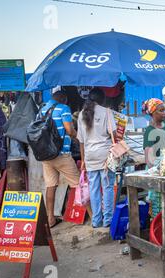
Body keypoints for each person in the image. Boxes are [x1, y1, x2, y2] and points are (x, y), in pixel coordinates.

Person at [39, 91, 80, 228]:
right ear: (63, 99)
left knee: (51, 186)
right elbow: (69, 130)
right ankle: (93, 218)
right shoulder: (64, 108)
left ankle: (50, 219)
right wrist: (78, 137)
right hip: (62, 154)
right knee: (78, 184)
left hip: (46, 154)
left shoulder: (42, 109)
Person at [77, 88, 116, 228]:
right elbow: (114, 134)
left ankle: (96, 220)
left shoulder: (82, 114)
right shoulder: (107, 112)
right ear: (102, 99)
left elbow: (81, 141)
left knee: (93, 188)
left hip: (90, 155)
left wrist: (83, 160)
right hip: (105, 155)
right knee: (107, 187)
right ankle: (108, 220)